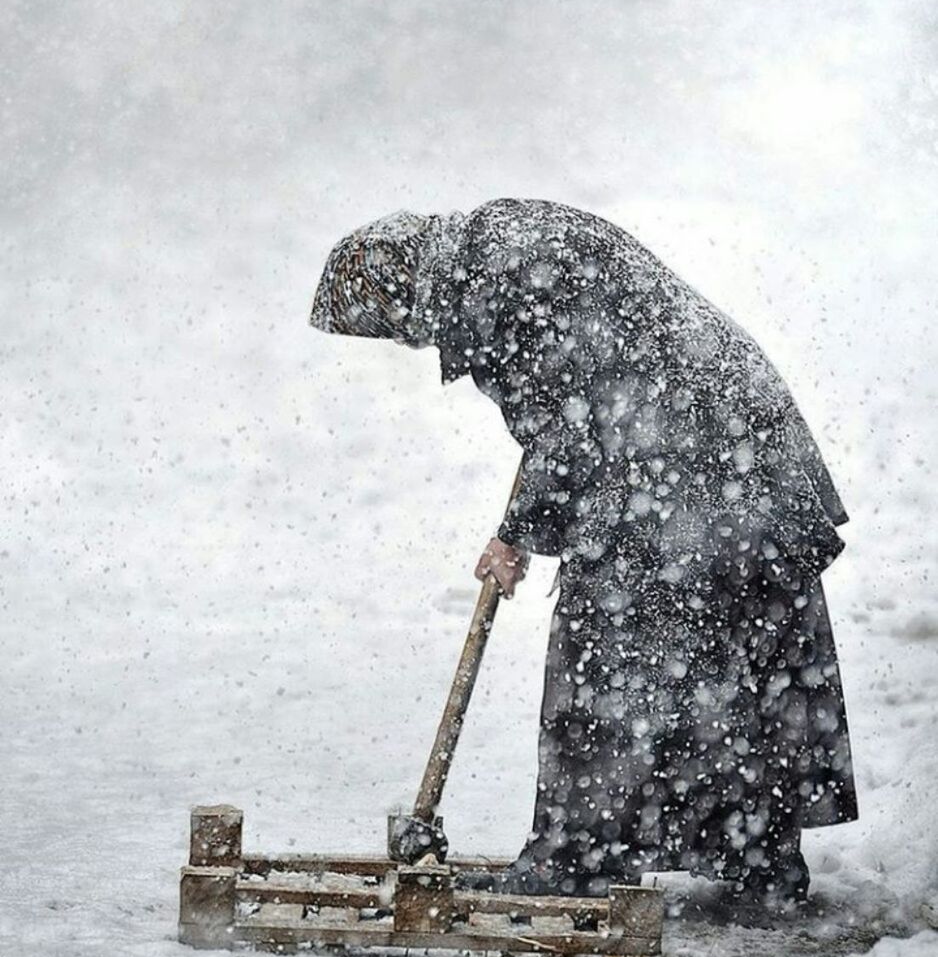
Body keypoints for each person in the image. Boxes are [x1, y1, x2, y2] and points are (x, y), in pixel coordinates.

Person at [309, 198, 857, 907]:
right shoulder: (496, 248)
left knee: (608, 654)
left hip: (684, 466)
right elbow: (578, 401)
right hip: (724, 448)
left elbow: (565, 433)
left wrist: (514, 535)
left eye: (388, 330)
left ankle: (578, 859)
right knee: (720, 656)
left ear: (400, 296)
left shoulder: (498, 277)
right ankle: (753, 853)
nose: (405, 343)